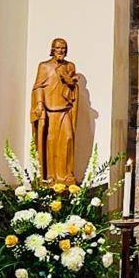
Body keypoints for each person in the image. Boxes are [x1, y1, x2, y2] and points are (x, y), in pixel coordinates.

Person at [30, 38, 79, 184]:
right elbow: (38, 86)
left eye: (64, 48)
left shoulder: (69, 66)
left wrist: (68, 78)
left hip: (64, 110)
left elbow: (73, 86)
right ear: (52, 49)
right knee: (50, 141)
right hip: (50, 110)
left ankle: (66, 175)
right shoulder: (44, 66)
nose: (61, 51)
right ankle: (50, 176)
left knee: (68, 139)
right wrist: (39, 103)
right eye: (58, 48)